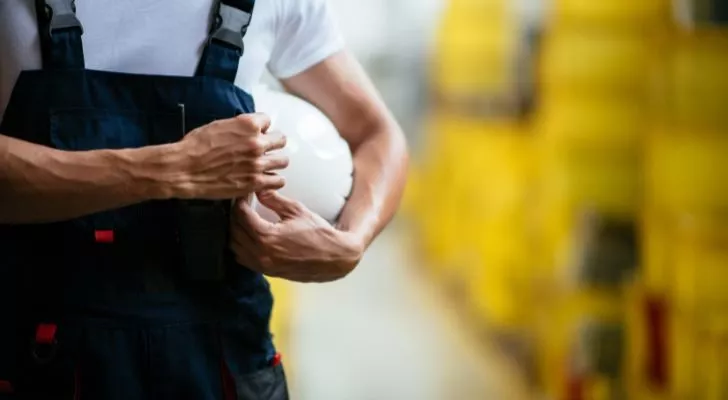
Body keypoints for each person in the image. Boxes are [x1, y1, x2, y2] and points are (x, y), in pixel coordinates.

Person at [0, 0, 408, 399]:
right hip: (35, 358)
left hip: (224, 367)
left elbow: (376, 134)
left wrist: (353, 239)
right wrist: (169, 169)